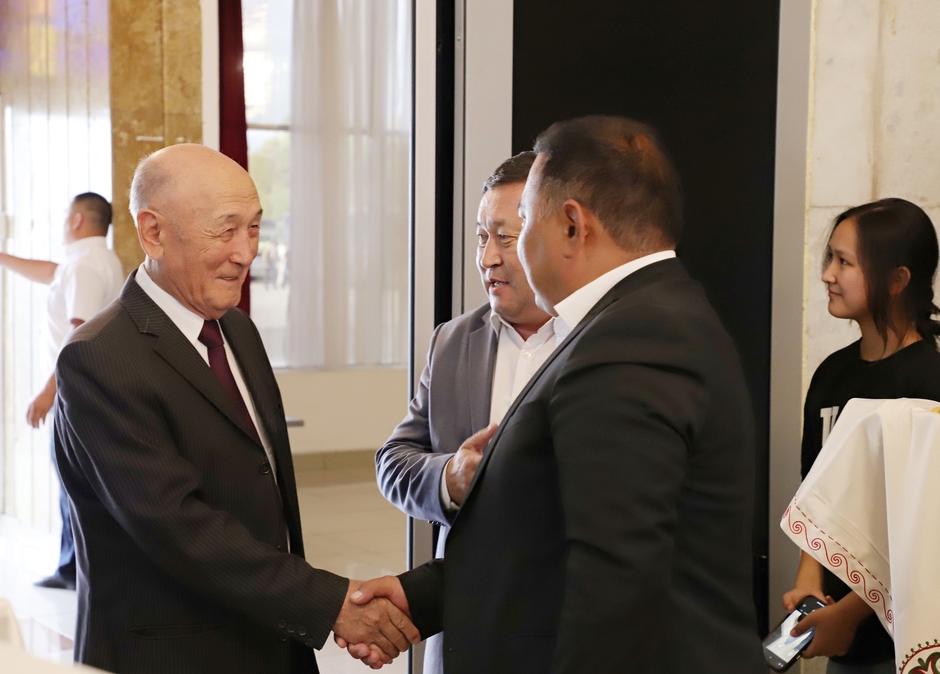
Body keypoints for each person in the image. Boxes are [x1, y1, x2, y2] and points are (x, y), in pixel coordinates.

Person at [344, 115, 764, 673]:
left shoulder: (632, 340)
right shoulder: (646, 316)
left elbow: (614, 584)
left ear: (571, 225)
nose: (495, 254)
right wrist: (420, 598)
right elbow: (545, 538)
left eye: (521, 222)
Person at [52, 144, 419, 673]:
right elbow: (177, 526)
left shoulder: (236, 330)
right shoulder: (100, 357)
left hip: (269, 639)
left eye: (253, 228)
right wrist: (332, 604)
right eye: (225, 231)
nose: (246, 253)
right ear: (153, 232)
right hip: (172, 656)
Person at [375, 151, 553, 674]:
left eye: (505, 237)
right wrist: (450, 477)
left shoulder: (598, 341)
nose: (488, 258)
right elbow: (393, 461)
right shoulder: (454, 342)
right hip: (467, 635)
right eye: (481, 237)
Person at [782, 198, 940, 674]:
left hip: (904, 642)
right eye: (829, 257)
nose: (827, 274)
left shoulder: (929, 381)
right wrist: (809, 580)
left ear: (897, 279)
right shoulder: (832, 374)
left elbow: (923, 531)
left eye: (845, 262)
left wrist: (849, 614)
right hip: (845, 645)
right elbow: (818, 494)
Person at [0, 192, 124, 590]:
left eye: (66, 215)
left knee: (75, 483)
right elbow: (53, 273)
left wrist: (49, 390)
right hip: (89, 390)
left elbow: (79, 333)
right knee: (79, 481)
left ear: (77, 220)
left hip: (76, 392)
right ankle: (76, 568)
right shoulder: (95, 260)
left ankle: (75, 571)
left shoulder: (85, 265)